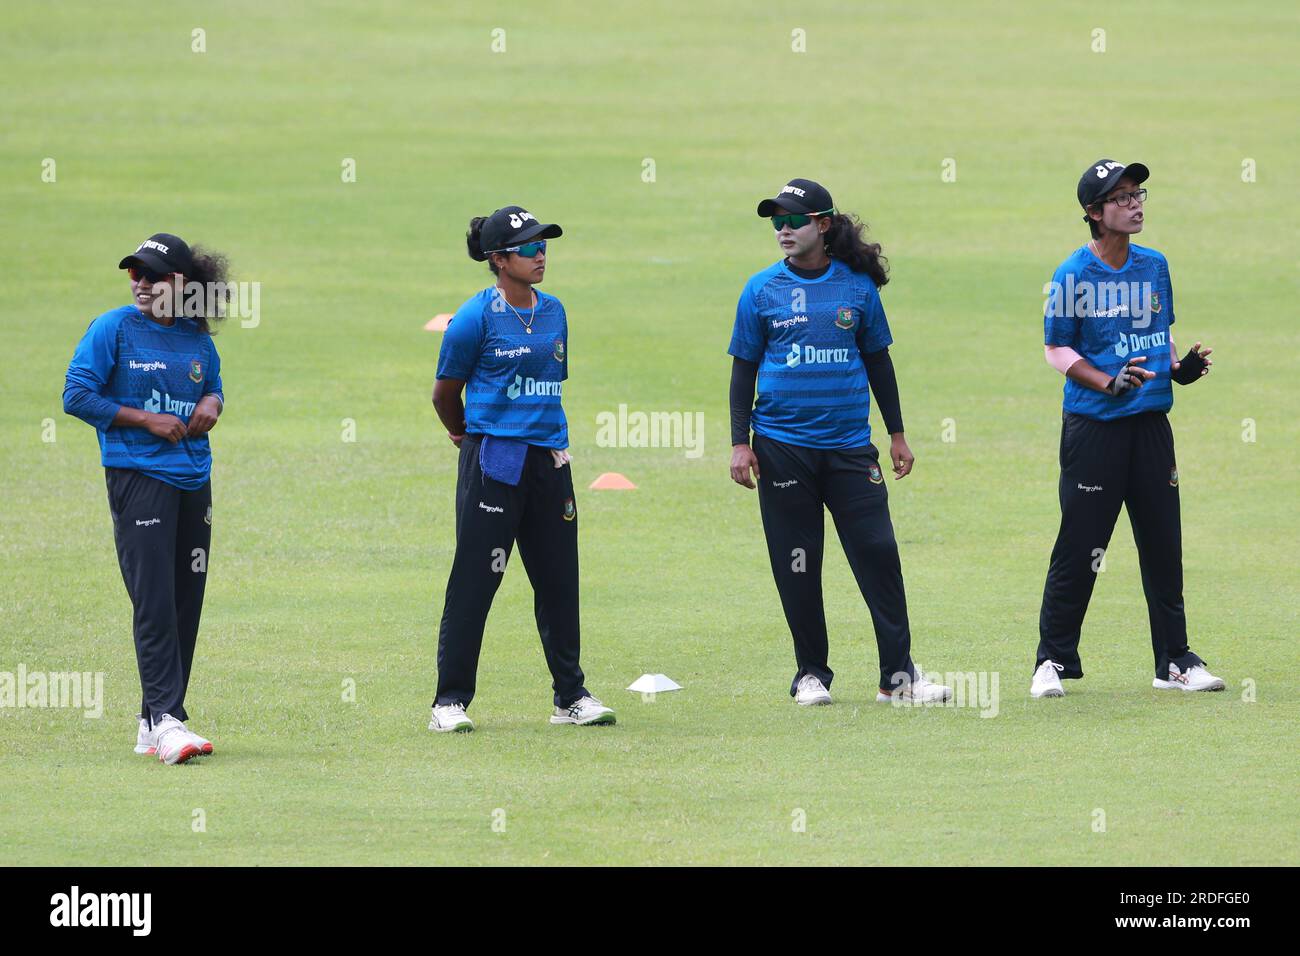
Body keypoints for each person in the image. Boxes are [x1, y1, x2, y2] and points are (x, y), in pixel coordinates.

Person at [729, 178, 953, 706]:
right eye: (776, 222)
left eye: (794, 220)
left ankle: (898, 679)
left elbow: (879, 361)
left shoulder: (856, 288)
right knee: (798, 560)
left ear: (823, 225)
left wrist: (897, 434)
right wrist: (740, 443)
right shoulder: (760, 291)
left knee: (878, 553)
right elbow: (743, 372)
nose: (783, 230)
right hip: (783, 446)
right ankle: (811, 673)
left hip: (851, 448)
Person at [1032, 159, 1222, 698]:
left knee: (1163, 544)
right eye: (1120, 198)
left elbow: (1157, 336)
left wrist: (1177, 371)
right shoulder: (1072, 275)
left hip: (1151, 427)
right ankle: (1052, 660)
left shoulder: (1155, 265)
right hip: (1095, 428)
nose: (1135, 204)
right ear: (1094, 213)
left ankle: (1175, 661)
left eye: (1137, 195)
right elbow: (1056, 349)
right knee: (1081, 546)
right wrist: (1105, 382)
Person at [429, 205, 615, 733]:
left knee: (559, 580)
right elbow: (445, 394)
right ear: (498, 259)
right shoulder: (473, 318)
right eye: (530, 247)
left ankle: (570, 697)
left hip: (549, 461)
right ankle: (449, 702)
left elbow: (550, 384)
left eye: (544, 245)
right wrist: (465, 434)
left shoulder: (554, 310)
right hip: (494, 461)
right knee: (475, 581)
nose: (541, 255)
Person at [63, 233, 230, 764]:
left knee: (185, 600)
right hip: (138, 477)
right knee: (153, 599)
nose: (139, 283)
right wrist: (145, 420)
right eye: (134, 273)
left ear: (181, 284)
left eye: (152, 276)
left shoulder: (196, 339)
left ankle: (151, 719)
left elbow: (215, 386)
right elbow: (77, 395)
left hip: (192, 480)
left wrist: (213, 401)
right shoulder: (113, 328)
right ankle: (168, 721)